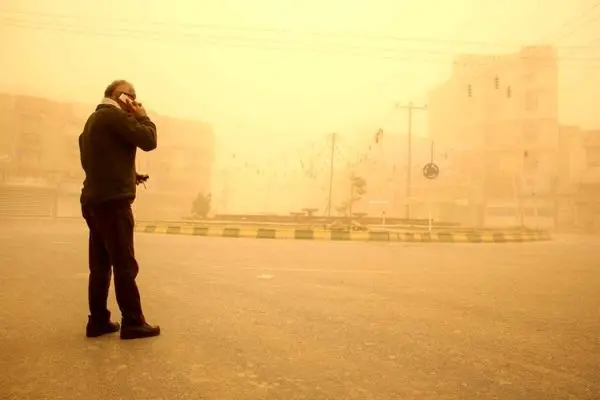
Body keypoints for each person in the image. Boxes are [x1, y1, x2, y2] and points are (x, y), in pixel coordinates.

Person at [79, 80, 160, 340]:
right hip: (113, 203)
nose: (135, 102)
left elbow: (95, 160)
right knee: (124, 264)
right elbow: (148, 140)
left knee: (100, 265)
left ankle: (98, 321)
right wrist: (143, 116)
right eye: (132, 97)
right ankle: (133, 322)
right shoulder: (114, 116)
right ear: (119, 96)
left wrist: (129, 174)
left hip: (93, 200)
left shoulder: (93, 121)